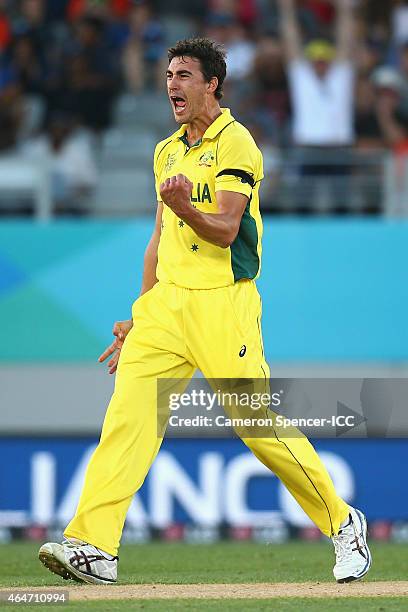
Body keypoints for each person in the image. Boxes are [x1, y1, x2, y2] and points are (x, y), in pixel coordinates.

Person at [38, 37, 371, 585]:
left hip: (223, 302)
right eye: (169, 74)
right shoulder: (167, 150)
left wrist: (183, 205)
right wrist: (138, 314)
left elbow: (225, 229)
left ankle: (343, 522)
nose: (172, 83)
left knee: (255, 423)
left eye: (184, 74)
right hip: (167, 306)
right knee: (128, 417)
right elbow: (157, 240)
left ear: (211, 83)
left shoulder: (237, 143)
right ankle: (94, 547)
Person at [278, 0, 355, 213]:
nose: (320, 63)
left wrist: (344, 9)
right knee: (303, 206)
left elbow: (345, 42)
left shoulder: (340, 76)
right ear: (310, 61)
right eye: (316, 60)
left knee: (343, 206)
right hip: (307, 147)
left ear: (330, 61)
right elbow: (291, 40)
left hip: (339, 146)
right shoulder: (302, 77)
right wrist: (286, 9)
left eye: (324, 60)